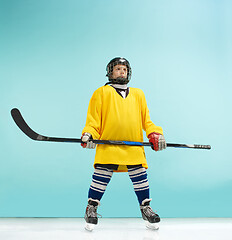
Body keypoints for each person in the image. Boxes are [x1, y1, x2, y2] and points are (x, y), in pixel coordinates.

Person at [81, 57, 166, 231]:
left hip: (133, 146)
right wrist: (89, 134)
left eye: (124, 69)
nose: (122, 72)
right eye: (118, 69)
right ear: (110, 72)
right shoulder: (101, 93)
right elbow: (93, 120)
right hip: (108, 146)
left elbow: (147, 121)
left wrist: (155, 134)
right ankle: (91, 208)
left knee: (140, 176)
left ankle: (146, 208)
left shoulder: (138, 94)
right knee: (100, 177)